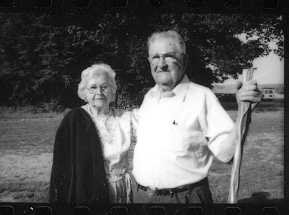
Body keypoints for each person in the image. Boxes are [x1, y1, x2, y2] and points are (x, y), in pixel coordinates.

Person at [132, 30, 263, 203]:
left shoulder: (202, 96)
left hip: (184, 199)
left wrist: (244, 113)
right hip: (141, 197)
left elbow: (227, 154)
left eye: (169, 56)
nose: (161, 64)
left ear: (184, 60)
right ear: (149, 61)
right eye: (155, 57)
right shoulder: (149, 96)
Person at [49, 63, 133, 204]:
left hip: (123, 190)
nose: (99, 92)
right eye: (93, 87)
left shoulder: (125, 117)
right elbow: (61, 166)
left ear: (112, 91)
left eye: (104, 87)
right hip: (89, 192)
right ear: (84, 93)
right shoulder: (74, 119)